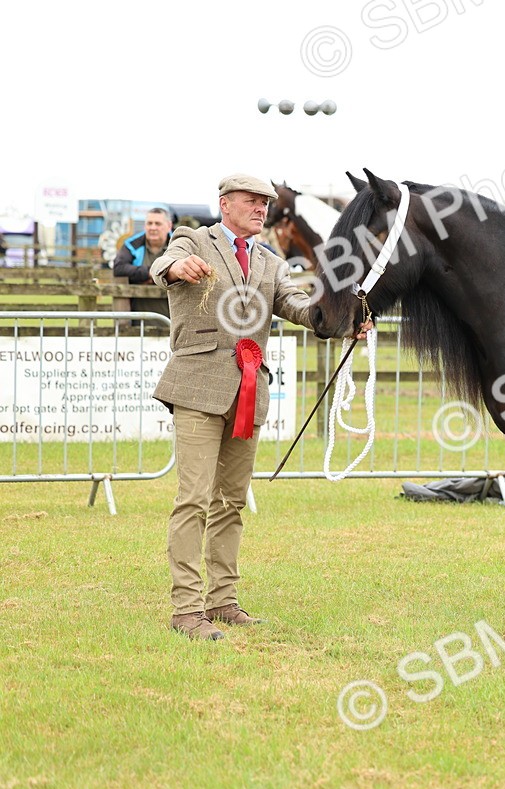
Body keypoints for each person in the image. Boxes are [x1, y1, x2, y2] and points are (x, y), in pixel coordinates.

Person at [149, 174, 370, 641]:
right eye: (251, 201)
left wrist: (342, 320)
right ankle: (187, 610)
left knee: (230, 502)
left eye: (265, 202)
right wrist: (178, 268)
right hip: (196, 388)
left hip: (248, 395)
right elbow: (163, 264)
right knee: (193, 500)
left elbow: (297, 306)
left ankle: (223, 601)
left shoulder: (271, 262)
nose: (261, 208)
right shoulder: (195, 238)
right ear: (225, 204)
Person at [113, 207, 174, 319]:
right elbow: (118, 268)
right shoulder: (132, 244)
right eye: (149, 223)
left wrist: (141, 276)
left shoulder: (178, 244)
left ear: (169, 226)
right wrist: (150, 273)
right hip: (138, 321)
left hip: (173, 320)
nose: (153, 228)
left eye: (158, 224)